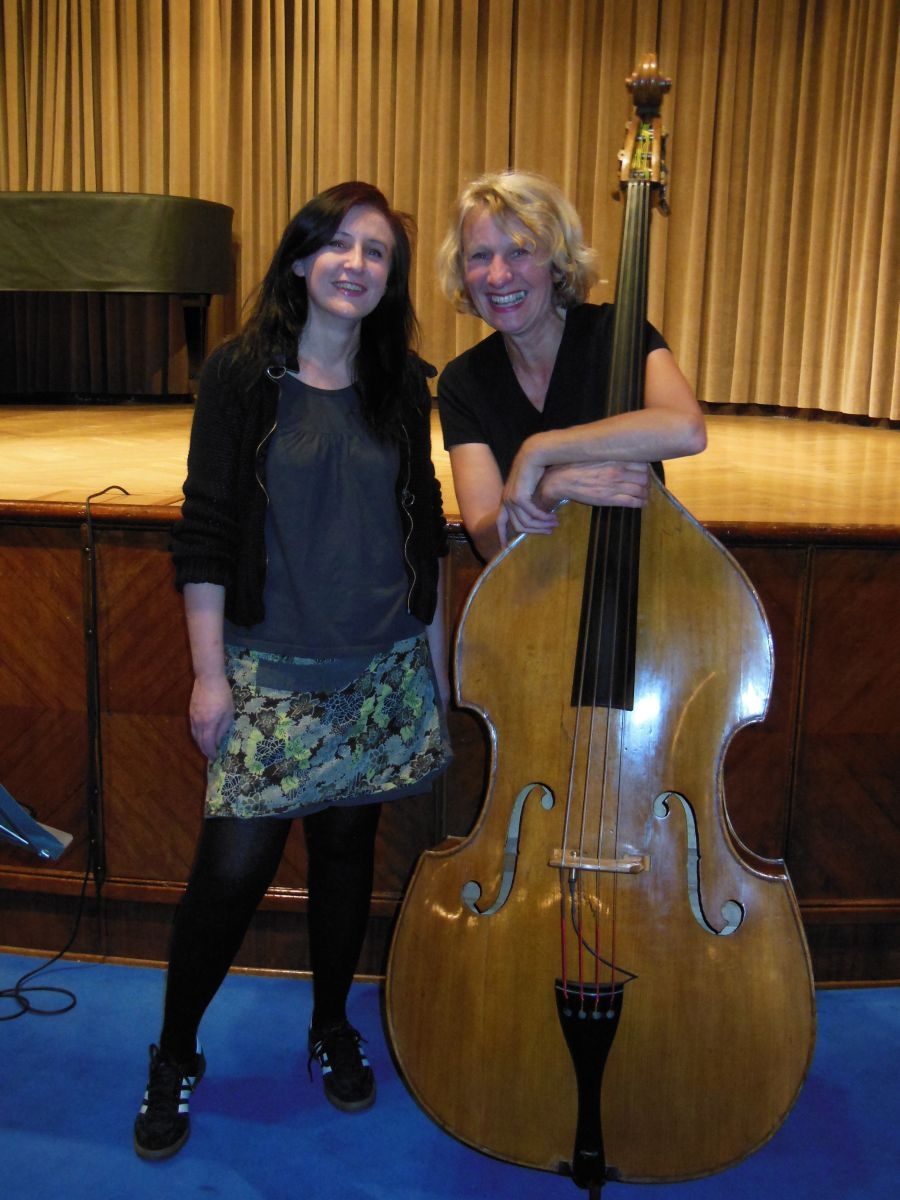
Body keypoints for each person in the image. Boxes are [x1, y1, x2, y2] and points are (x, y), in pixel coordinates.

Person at [133, 181, 452, 1160]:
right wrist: (209, 675)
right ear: (303, 258)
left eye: (377, 252)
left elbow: (425, 529)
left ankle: (330, 1026)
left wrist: (434, 669)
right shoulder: (241, 375)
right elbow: (206, 527)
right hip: (270, 668)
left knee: (349, 854)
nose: (357, 264)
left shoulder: (402, 381)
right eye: (339, 244)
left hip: (381, 665)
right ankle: (174, 1052)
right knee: (231, 871)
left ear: (391, 277)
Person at [436, 171, 707, 561]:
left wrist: (540, 449)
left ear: (556, 260)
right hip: (539, 584)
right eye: (480, 255)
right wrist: (550, 489)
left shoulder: (617, 334)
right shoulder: (463, 381)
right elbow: (488, 542)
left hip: (641, 571)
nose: (498, 275)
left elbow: (687, 429)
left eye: (519, 251)